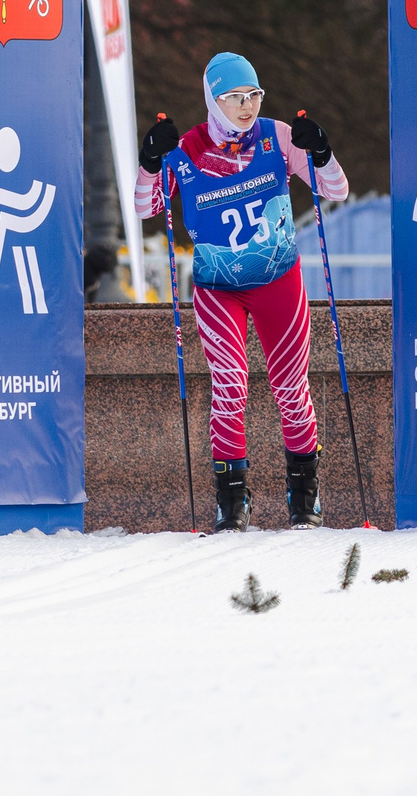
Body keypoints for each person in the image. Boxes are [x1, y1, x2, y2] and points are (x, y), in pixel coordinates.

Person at [136, 52, 349, 531]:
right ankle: (232, 504)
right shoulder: (186, 149)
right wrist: (151, 161)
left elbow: (335, 190)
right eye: (234, 98)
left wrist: (321, 151)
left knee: (292, 391)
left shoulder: (278, 137)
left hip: (278, 280)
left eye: (253, 95)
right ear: (213, 100)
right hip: (218, 288)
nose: (246, 106)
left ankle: (304, 499)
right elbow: (147, 207)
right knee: (230, 387)